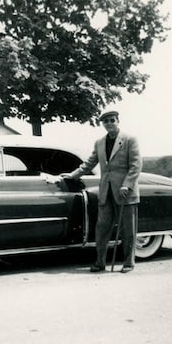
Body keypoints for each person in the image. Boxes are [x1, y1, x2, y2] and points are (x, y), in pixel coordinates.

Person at [61, 110, 142, 273]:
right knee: (102, 227)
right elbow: (90, 163)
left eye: (112, 120)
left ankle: (128, 263)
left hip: (125, 192)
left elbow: (136, 165)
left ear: (118, 121)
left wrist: (127, 184)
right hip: (106, 191)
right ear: (103, 124)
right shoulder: (99, 142)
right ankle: (100, 262)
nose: (109, 123)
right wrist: (73, 175)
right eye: (106, 122)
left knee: (128, 229)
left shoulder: (129, 140)